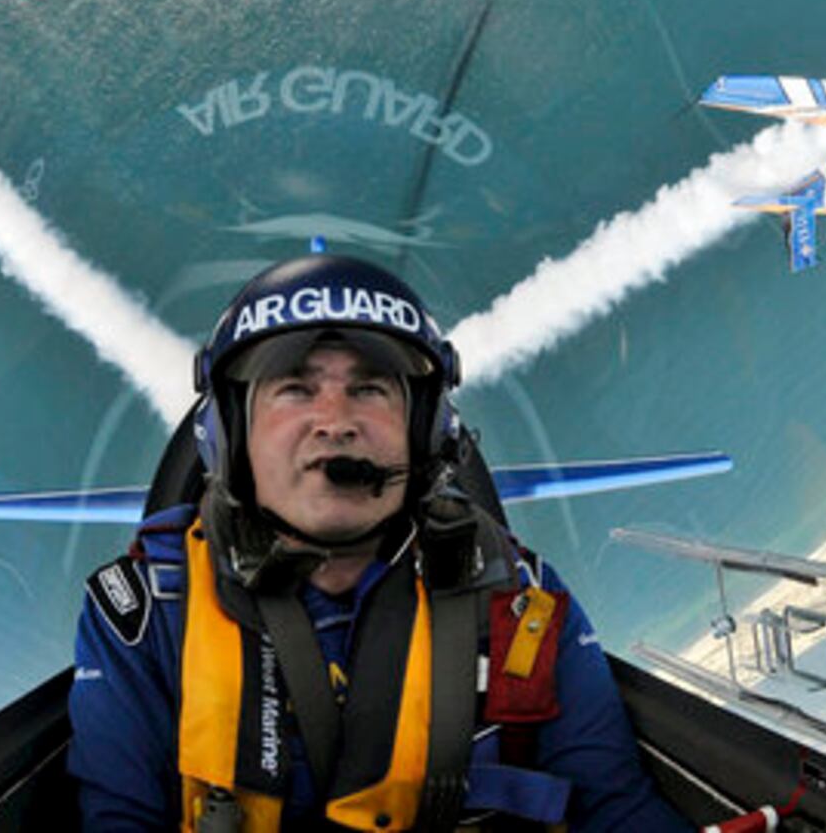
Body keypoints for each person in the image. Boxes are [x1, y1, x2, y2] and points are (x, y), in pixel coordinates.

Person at [67, 254, 689, 831]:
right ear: (231, 434)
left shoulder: (520, 600)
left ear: (426, 431)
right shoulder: (146, 614)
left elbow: (617, 809)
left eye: (369, 388)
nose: (335, 421)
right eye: (294, 388)